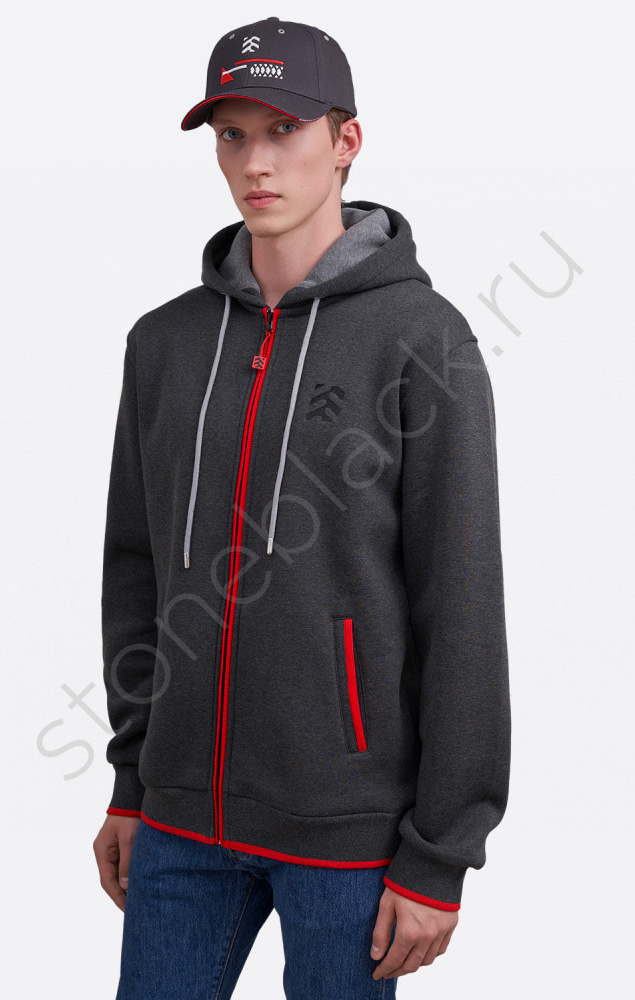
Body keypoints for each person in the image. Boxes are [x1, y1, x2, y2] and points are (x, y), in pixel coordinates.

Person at [93, 15, 511, 999]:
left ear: (345, 139)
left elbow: (461, 601)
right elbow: (135, 574)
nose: (256, 162)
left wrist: (441, 853)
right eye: (232, 135)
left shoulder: (423, 341)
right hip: (179, 823)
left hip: (350, 838)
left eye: (284, 130)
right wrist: (132, 781)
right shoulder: (163, 344)